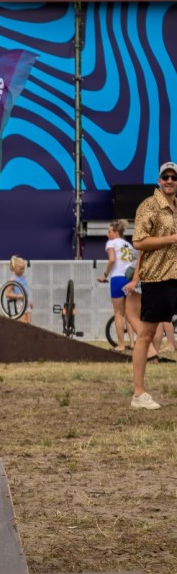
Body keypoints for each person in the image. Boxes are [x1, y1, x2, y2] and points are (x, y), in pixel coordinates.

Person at [130, 161, 177, 409]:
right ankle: (138, 394)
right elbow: (138, 242)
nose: (170, 181)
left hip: (175, 276)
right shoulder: (149, 205)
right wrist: (171, 238)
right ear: (159, 180)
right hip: (157, 278)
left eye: (174, 177)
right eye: (165, 177)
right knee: (146, 334)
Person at [97, 219, 136, 351]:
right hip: (129, 279)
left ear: (116, 233)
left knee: (118, 313)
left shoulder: (111, 243)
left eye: (109, 231)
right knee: (129, 313)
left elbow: (112, 260)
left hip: (118, 278)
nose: (107, 234)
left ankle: (121, 345)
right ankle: (132, 343)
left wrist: (104, 275)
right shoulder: (128, 245)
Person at [4, 255, 32, 322]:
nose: (23, 270)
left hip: (26, 300)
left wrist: (30, 302)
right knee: (23, 321)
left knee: (29, 321)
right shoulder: (13, 279)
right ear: (15, 268)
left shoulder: (23, 277)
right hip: (20, 302)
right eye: (21, 269)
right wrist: (17, 296)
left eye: (23, 269)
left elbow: (26, 288)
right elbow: (7, 294)